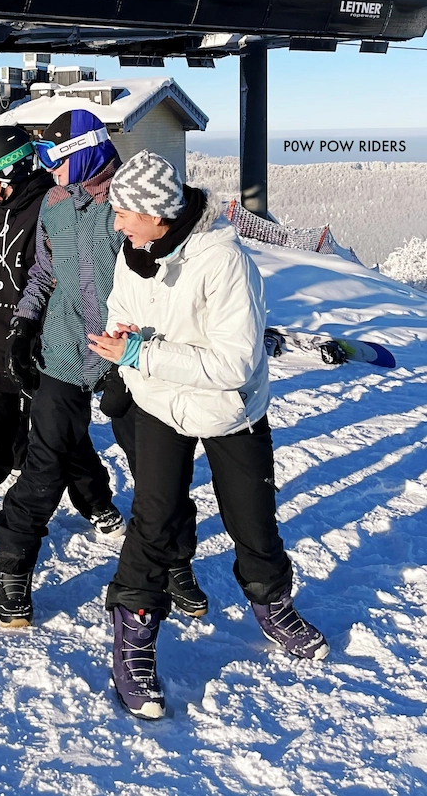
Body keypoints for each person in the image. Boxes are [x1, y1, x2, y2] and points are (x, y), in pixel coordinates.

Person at [88, 150, 328, 720]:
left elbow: (234, 365)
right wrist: (126, 331)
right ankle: (134, 636)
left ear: (159, 213)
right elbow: (123, 302)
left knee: (252, 515)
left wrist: (144, 351)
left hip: (227, 409)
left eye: (124, 211)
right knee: (156, 516)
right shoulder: (136, 248)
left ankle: (272, 605)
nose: (116, 222)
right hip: (160, 401)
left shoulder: (224, 263)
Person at [0, 125, 125, 589]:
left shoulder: (50, 205)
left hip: (45, 343)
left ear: (11, 170)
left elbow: (58, 280)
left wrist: (37, 336)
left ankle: (96, 501)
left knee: (57, 435)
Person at [0, 108, 130, 626]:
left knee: (157, 468)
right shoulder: (54, 204)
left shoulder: (129, 200)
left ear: (84, 152)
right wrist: (23, 325)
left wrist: (131, 359)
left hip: (130, 353)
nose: (47, 169)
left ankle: (174, 566)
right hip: (65, 346)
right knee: (43, 463)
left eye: (55, 159)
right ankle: (13, 568)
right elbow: (46, 272)